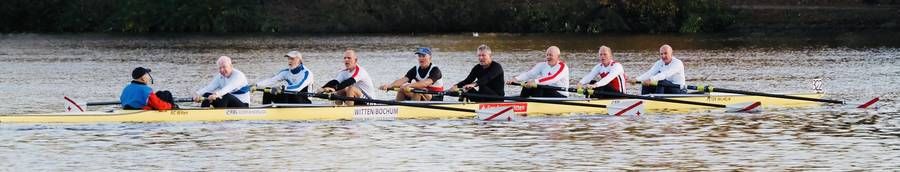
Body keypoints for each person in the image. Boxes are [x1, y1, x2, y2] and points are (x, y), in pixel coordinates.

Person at [378, 47, 443, 101]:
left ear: (430, 58)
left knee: (416, 90)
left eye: (423, 56)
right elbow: (403, 80)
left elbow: (425, 83)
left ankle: (413, 111)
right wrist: (390, 86)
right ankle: (398, 108)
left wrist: (409, 86)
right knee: (402, 89)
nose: (421, 58)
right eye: (419, 56)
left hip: (435, 96)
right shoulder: (415, 69)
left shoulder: (435, 70)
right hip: (422, 94)